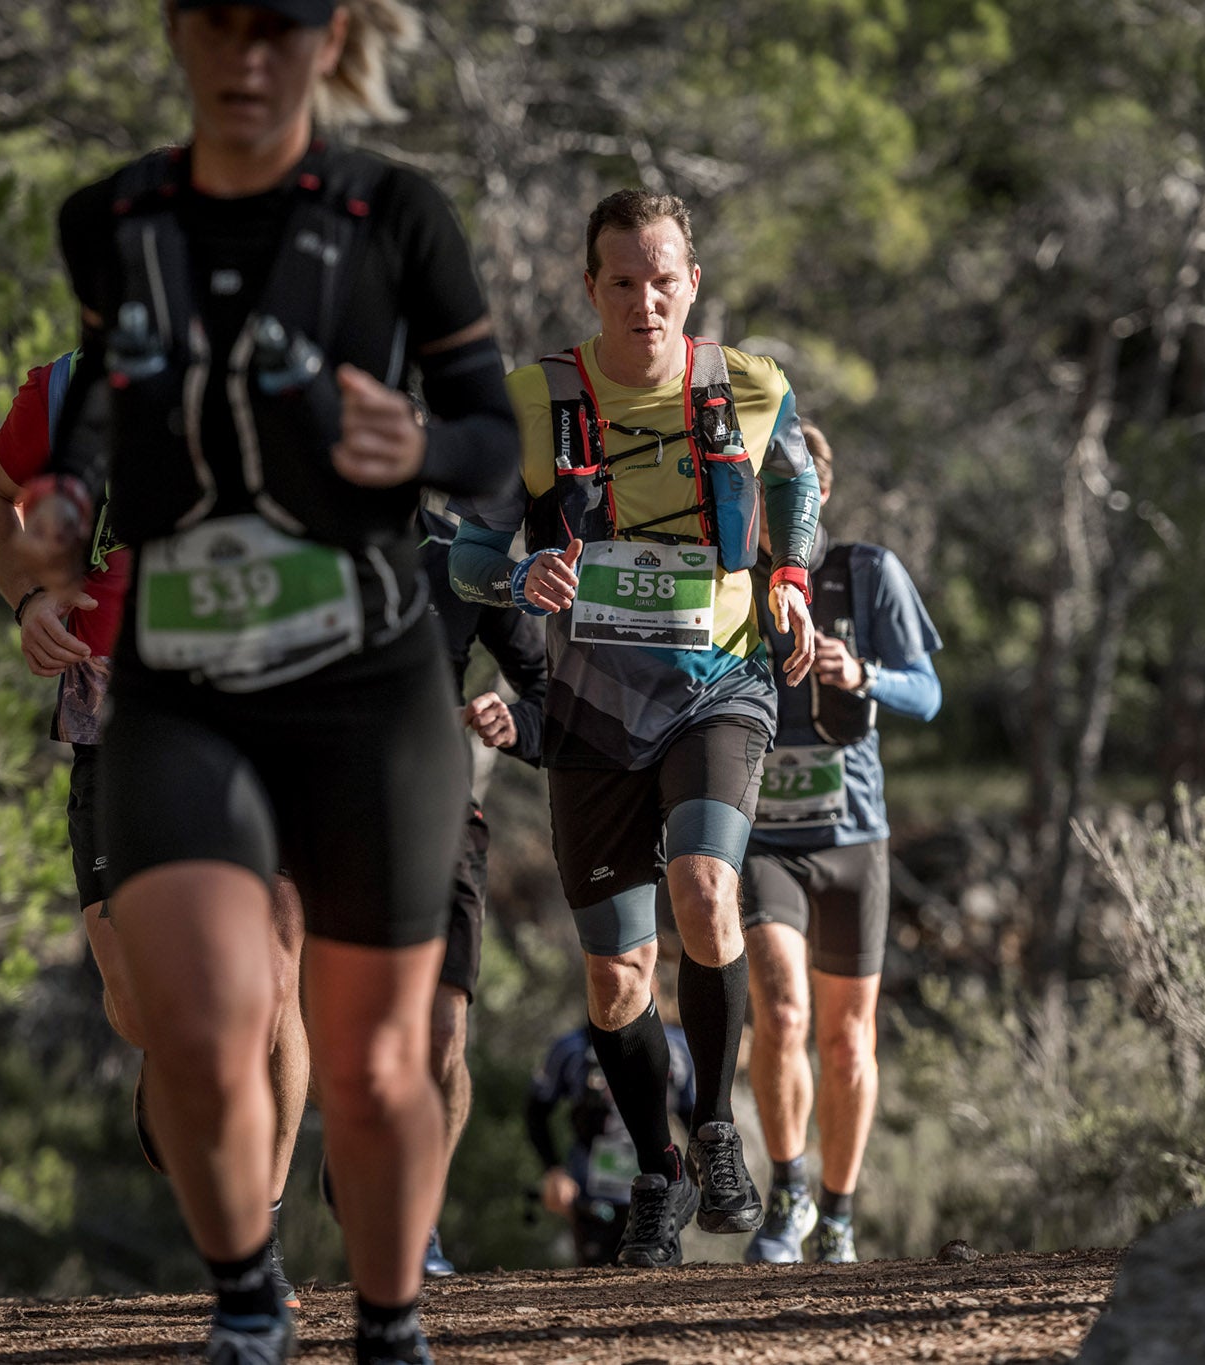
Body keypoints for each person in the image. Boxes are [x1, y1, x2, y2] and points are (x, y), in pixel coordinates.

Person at [11, 1, 516, 1360]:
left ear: (331, 35)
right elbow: (109, 398)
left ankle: (390, 1325)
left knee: (369, 1062)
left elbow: (493, 451)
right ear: (176, 32)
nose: (247, 57)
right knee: (196, 1017)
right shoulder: (110, 222)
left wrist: (413, 441)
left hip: (368, 681)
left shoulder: (393, 216)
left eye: (280, 25)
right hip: (180, 680)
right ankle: (248, 1307)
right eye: (218, 23)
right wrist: (58, 507)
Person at [448, 188, 823, 1269]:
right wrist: (523, 569)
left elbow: (795, 485)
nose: (645, 302)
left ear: (690, 283)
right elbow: (467, 553)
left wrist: (790, 580)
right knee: (616, 980)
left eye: (663, 281)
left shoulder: (746, 387)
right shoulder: (533, 400)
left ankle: (713, 1128)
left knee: (706, 889)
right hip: (592, 708)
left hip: (719, 683)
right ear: (590, 288)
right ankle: (654, 1175)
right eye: (623, 283)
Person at [0, 353, 308, 1308]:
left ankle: (256, 1236)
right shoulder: (68, 390)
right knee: (140, 1002)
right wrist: (28, 598)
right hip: (116, 710)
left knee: (275, 974)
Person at [740, 423, 942, 1265]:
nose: (777, 508)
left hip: (853, 835)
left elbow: (928, 693)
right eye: (760, 491)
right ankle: (786, 1192)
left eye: (793, 492)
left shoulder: (868, 574)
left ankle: (840, 1210)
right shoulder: (728, 580)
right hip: (761, 840)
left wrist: (862, 674)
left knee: (846, 1038)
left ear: (819, 495)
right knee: (782, 1011)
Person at [418, 503, 547, 1275]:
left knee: (441, 1037)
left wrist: (516, 720)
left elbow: (542, 682)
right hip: (320, 826)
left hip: (442, 821)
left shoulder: (458, 554)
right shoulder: (294, 543)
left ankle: (417, 1218)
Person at [525, 1021, 695, 1266]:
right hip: (591, 1195)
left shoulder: (678, 1048)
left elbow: (692, 1113)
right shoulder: (571, 1048)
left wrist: (698, 1171)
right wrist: (553, 1171)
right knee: (596, 1281)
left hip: (657, 1197)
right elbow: (537, 1112)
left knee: (653, 1276)